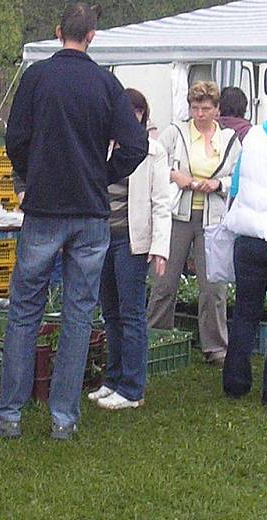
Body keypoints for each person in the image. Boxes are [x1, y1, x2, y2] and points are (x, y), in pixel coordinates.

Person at [0, 2, 148, 440]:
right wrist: (102, 174)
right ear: (92, 36)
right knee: (79, 313)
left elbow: (15, 138)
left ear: (59, 32)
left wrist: (31, 174)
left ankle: (9, 415)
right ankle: (63, 418)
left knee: (24, 311)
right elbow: (136, 145)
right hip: (91, 213)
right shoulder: (106, 83)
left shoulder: (37, 77)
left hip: (45, 208)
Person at [147, 81, 241, 367]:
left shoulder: (230, 140)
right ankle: (156, 338)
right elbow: (154, 164)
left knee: (213, 286)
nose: (200, 113)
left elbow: (238, 177)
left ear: (217, 110)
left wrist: (218, 184)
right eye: (195, 108)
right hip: (177, 215)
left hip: (213, 220)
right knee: (164, 280)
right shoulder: (175, 134)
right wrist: (176, 176)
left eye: (206, 108)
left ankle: (215, 347)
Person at [88, 88, 171, 410]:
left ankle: (132, 388)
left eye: (136, 112)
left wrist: (159, 247)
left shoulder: (153, 152)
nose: (131, 117)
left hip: (133, 241)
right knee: (110, 312)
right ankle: (113, 379)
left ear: (142, 115)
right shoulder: (102, 147)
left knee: (131, 312)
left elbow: (161, 203)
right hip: (101, 237)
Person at [222, 110, 267, 403]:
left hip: (248, 238)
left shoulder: (254, 135)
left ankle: (235, 382)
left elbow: (235, 184)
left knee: (245, 314)